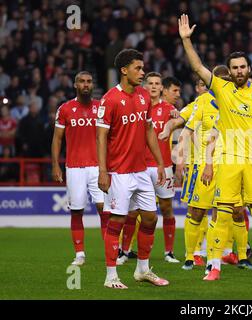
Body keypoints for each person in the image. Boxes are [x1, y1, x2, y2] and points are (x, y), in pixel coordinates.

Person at [178, 14, 252, 281]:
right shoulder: (222, 88)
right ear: (229, 71)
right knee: (222, 214)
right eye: (235, 68)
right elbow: (197, 66)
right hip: (228, 159)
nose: (239, 71)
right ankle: (214, 266)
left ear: (248, 68)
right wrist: (186, 41)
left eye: (243, 67)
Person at [96, 49, 169, 289]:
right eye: (138, 68)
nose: (142, 72)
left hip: (141, 170)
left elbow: (149, 130)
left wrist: (159, 162)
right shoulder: (109, 100)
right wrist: (103, 171)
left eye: (143, 67)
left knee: (150, 218)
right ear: (124, 70)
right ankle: (111, 276)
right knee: (117, 220)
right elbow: (101, 137)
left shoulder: (143, 96)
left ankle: (142, 270)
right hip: (119, 171)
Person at [116, 73, 181, 265]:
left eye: (157, 84)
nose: (153, 87)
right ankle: (125, 251)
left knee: (166, 209)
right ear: (145, 86)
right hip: (140, 168)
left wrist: (178, 118)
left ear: (162, 88)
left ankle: (169, 252)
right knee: (133, 211)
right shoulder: (136, 105)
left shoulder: (170, 109)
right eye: (150, 83)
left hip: (164, 166)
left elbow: (181, 133)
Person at [51, 71, 108, 266]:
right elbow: (57, 139)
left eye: (89, 82)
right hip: (74, 167)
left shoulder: (101, 108)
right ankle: (80, 254)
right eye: (82, 81)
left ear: (92, 85)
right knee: (77, 211)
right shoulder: (65, 109)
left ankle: (111, 251)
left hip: (97, 167)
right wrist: (55, 164)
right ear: (75, 85)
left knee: (104, 210)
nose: (86, 84)